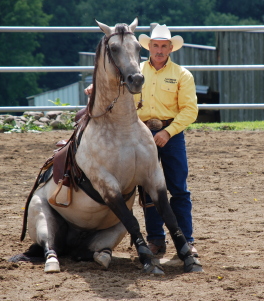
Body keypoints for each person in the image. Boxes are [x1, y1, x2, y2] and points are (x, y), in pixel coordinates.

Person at [85, 24, 199, 257]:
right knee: (148, 191)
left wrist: (168, 132)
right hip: (140, 135)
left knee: (178, 188)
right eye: (155, 45)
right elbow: (113, 82)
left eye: (163, 46)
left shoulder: (182, 75)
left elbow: (190, 110)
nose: (159, 50)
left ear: (170, 49)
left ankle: (187, 239)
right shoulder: (136, 71)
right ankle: (156, 239)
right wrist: (95, 86)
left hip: (171, 133)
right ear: (148, 48)